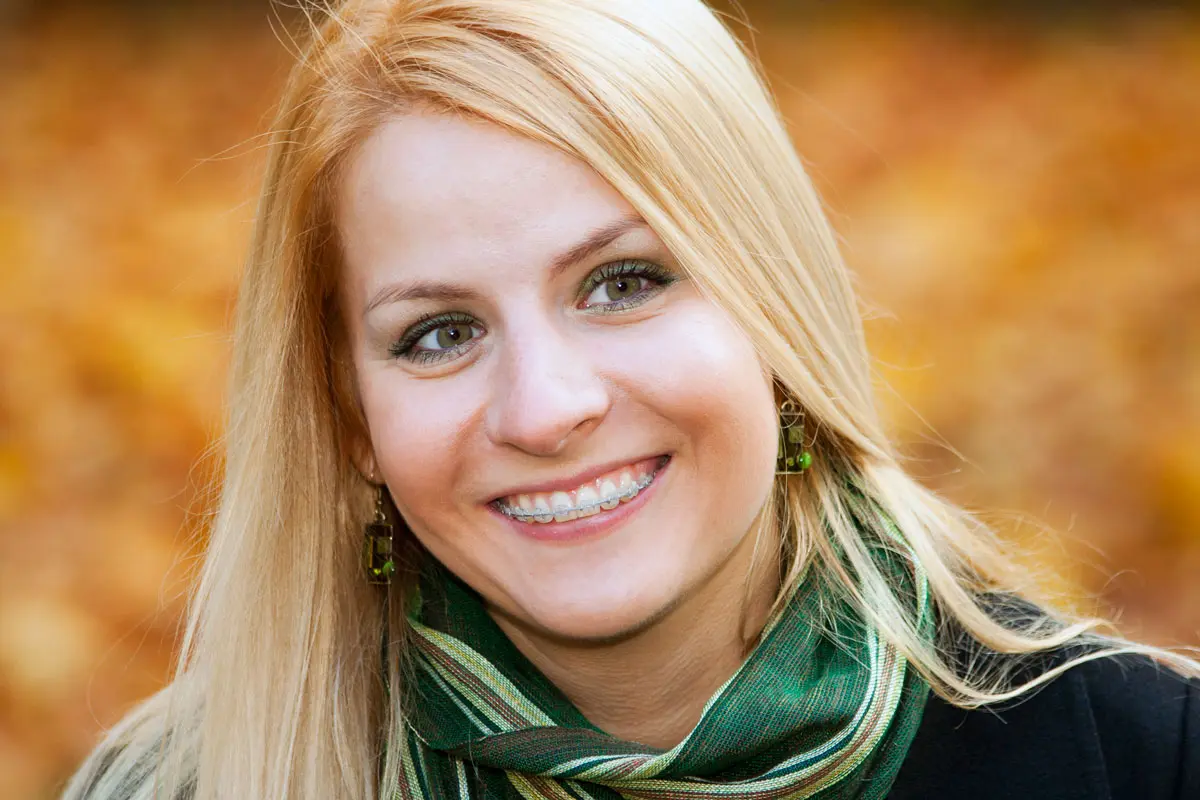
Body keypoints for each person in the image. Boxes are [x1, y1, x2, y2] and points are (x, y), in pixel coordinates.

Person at [62, 1, 1199, 798]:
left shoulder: (1145, 760)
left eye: (623, 282)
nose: (546, 407)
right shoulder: (191, 782)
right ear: (351, 418)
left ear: (774, 302)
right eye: (439, 332)